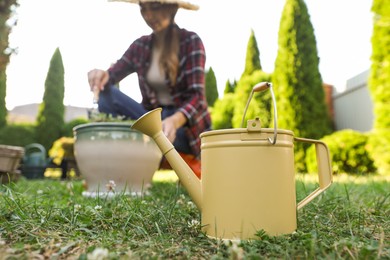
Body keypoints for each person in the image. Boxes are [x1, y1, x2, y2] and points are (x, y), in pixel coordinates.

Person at [87, 0, 211, 178]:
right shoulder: (140, 46)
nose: (148, 15)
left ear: (171, 8)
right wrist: (100, 75)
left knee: (169, 117)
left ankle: (183, 158)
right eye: (143, 8)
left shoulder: (190, 41)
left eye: (154, 7)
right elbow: (112, 75)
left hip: (184, 130)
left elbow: (197, 97)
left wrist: (174, 122)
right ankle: (116, 161)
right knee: (106, 93)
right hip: (153, 124)